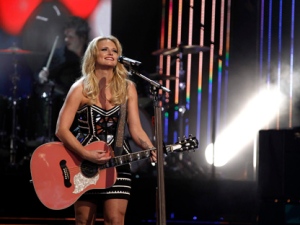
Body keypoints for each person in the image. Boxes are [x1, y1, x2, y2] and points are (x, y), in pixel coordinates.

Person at [55, 35, 157, 225]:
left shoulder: (128, 88)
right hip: (83, 163)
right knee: (84, 220)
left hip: (118, 160)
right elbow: (61, 130)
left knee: (115, 219)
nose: (110, 53)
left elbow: (136, 129)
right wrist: (86, 154)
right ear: (93, 54)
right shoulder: (79, 88)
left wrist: (149, 146)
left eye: (115, 50)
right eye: (104, 49)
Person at [32, 16, 90, 142]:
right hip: (61, 105)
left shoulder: (91, 55)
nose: (66, 40)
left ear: (82, 37)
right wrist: (41, 75)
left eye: (71, 37)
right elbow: (38, 74)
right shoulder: (58, 54)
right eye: (65, 36)